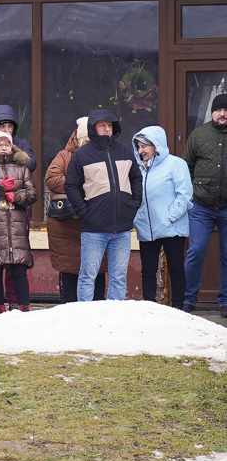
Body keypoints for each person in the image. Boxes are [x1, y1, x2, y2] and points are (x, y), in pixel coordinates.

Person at [64, 110, 142, 301]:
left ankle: (114, 317)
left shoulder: (124, 150)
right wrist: (83, 211)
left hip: (123, 227)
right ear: (93, 128)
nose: (107, 129)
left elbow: (136, 178)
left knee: (119, 277)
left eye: (110, 125)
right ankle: (85, 317)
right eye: (102, 125)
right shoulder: (83, 154)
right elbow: (71, 185)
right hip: (94, 227)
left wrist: (134, 203)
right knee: (88, 276)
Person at [46, 118, 107, 302]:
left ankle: (97, 309)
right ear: (79, 139)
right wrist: (77, 182)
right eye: (87, 141)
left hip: (95, 220)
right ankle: (69, 308)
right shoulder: (64, 156)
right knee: (69, 267)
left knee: (97, 267)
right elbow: (51, 179)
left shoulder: (106, 154)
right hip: (67, 224)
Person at [132, 127, 193, 308]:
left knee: (176, 270)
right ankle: (150, 308)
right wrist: (137, 219)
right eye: (138, 146)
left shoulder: (176, 164)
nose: (140, 150)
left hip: (172, 227)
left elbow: (185, 195)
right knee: (148, 271)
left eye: (144, 146)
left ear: (156, 146)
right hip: (147, 228)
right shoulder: (138, 169)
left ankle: (178, 307)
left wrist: (170, 217)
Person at [182, 93, 227, 316]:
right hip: (201, 206)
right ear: (212, 112)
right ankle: (189, 299)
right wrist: (192, 192)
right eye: (219, 110)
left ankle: (225, 302)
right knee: (196, 251)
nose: (223, 114)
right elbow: (186, 167)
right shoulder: (198, 135)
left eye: (226, 110)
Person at [0, 130, 38, 314]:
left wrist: (15, 196)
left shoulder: (22, 167)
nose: (4, 148)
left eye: (6, 144)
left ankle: (24, 307)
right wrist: (0, 192)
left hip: (16, 223)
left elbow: (33, 193)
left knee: (19, 268)